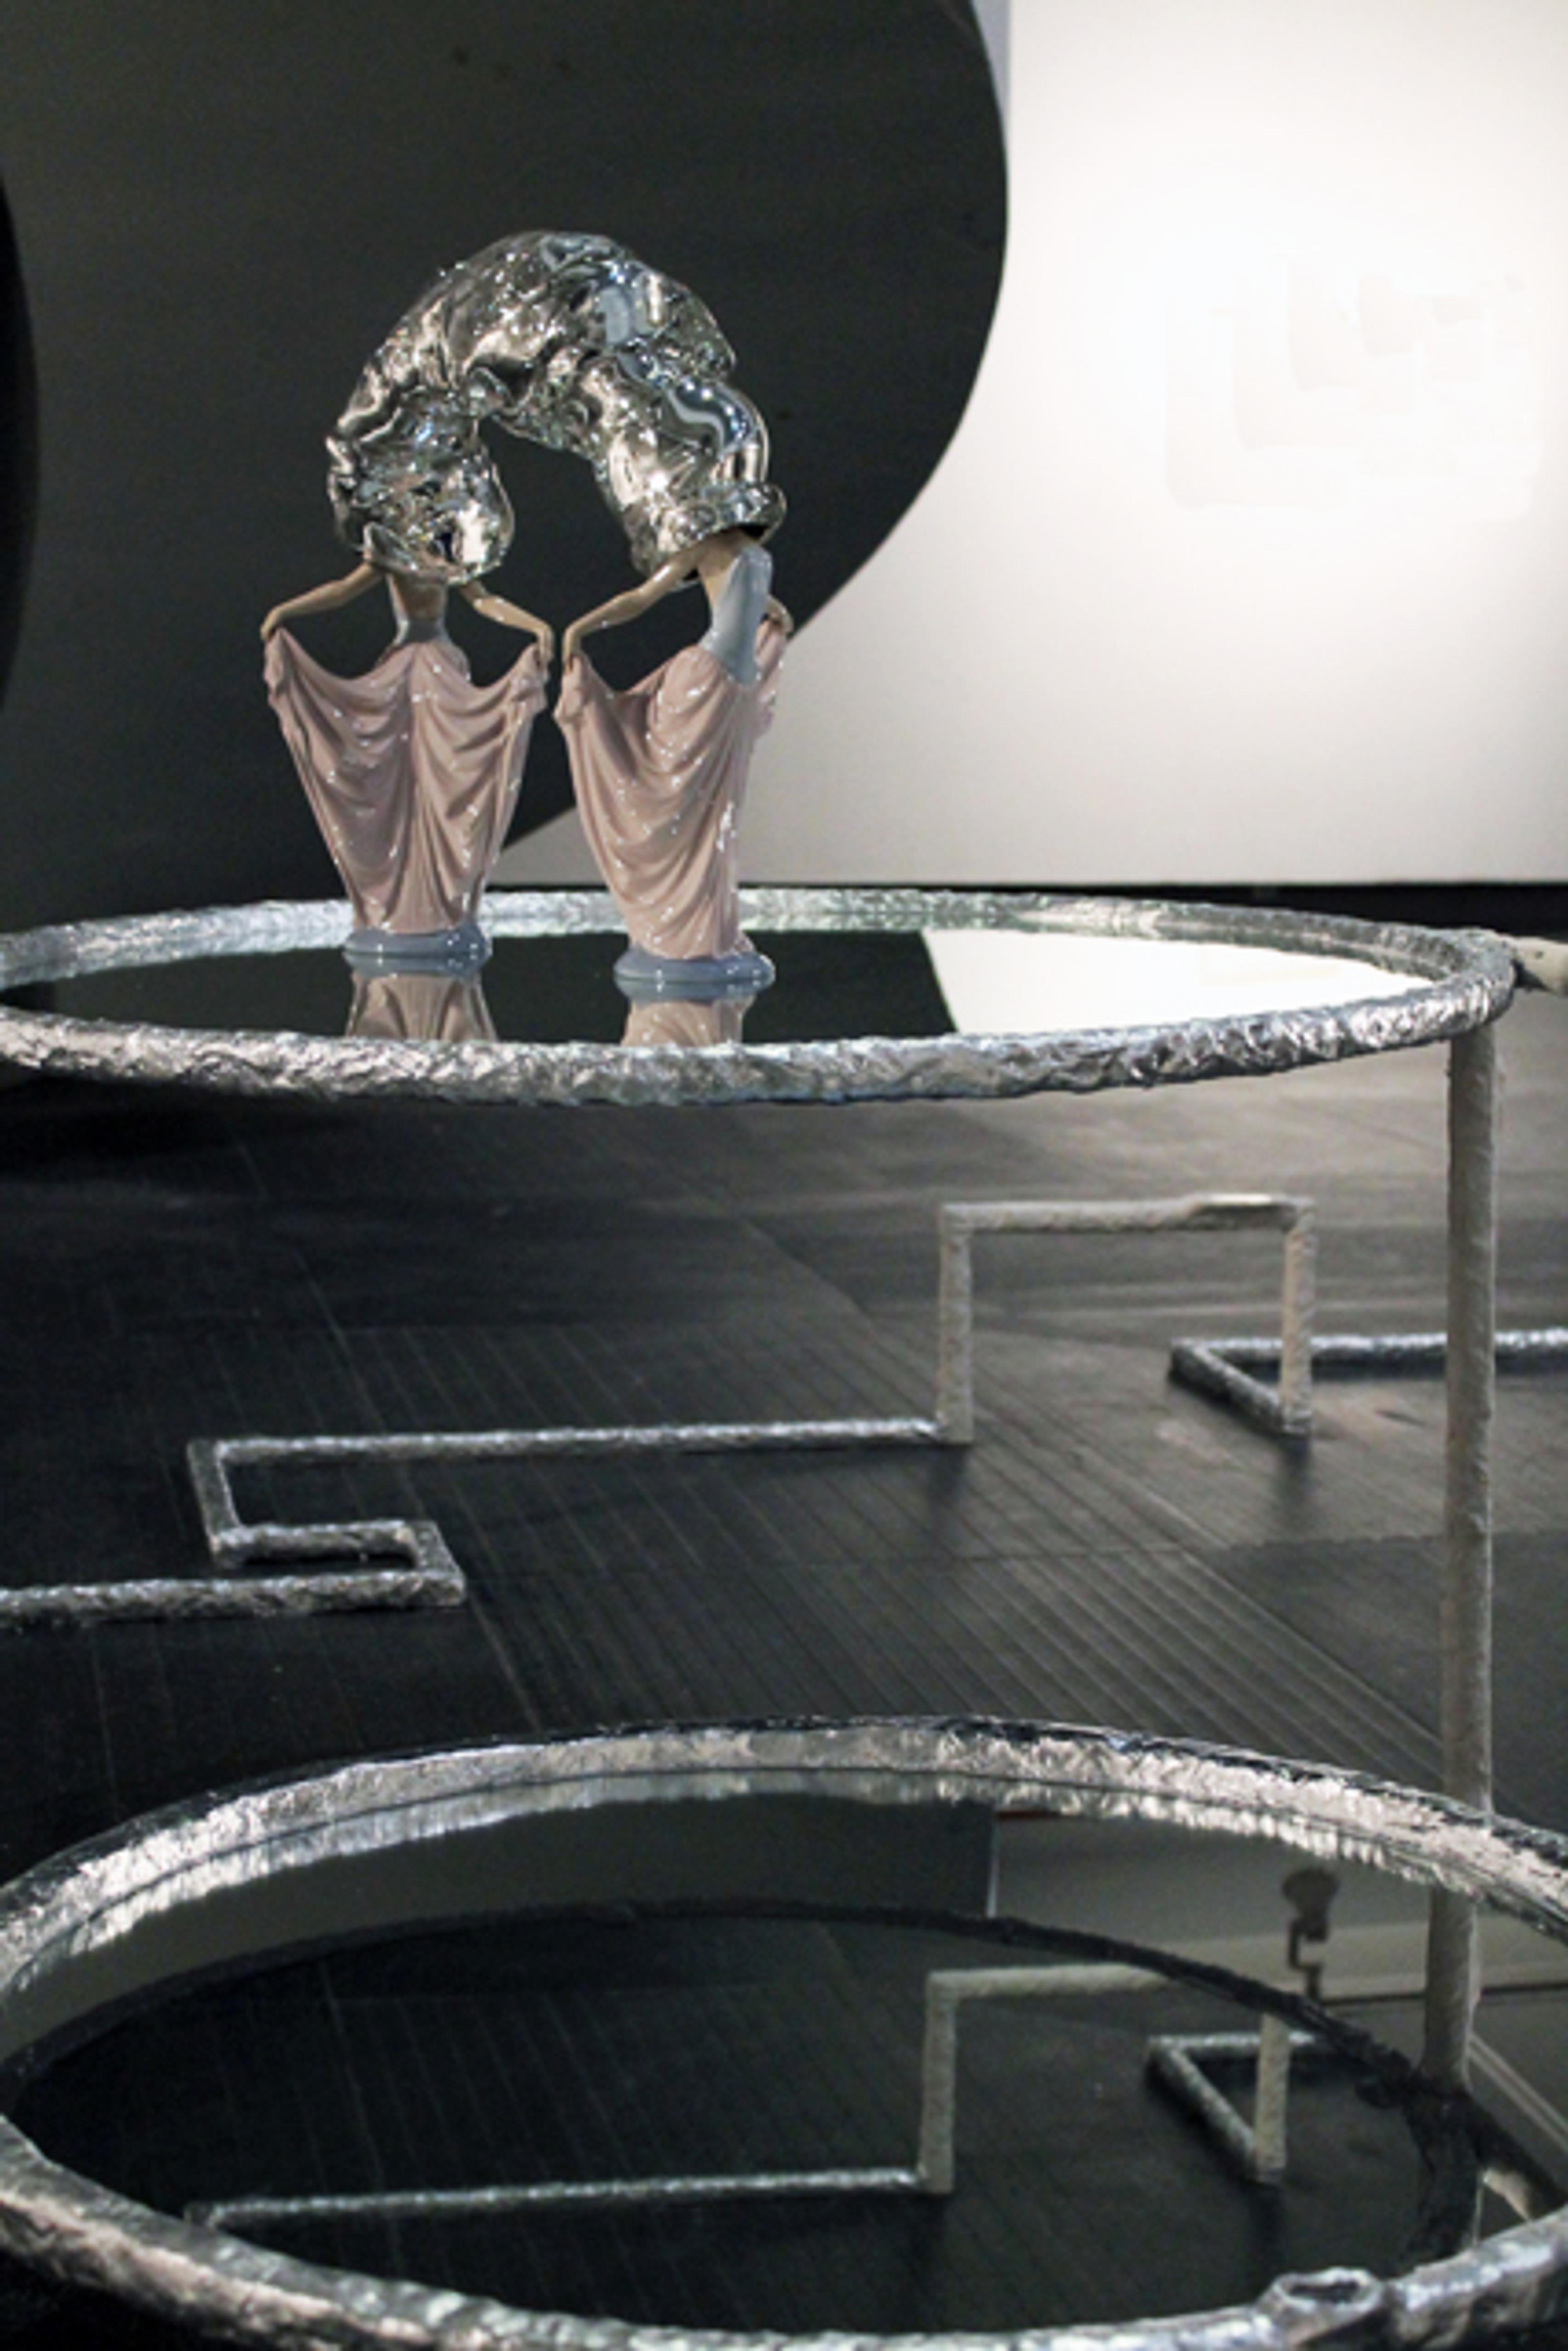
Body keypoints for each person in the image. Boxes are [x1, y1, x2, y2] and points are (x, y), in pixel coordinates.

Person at [262, 564, 553, 968]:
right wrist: (286, 612)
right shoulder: (389, 549)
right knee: (394, 781)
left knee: (447, 780)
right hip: (401, 672)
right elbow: (343, 588)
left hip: (441, 672)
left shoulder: (449, 550)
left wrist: (534, 627)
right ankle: (396, 903)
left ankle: (444, 901)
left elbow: (483, 599)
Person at [557, 529, 791, 993]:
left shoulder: (741, 550)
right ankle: (678, 930)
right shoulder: (718, 547)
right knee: (686, 802)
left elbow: (762, 605)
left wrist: (774, 617)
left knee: (715, 812)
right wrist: (581, 629)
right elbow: (642, 598)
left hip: (731, 685)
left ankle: (704, 932)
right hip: (708, 680)